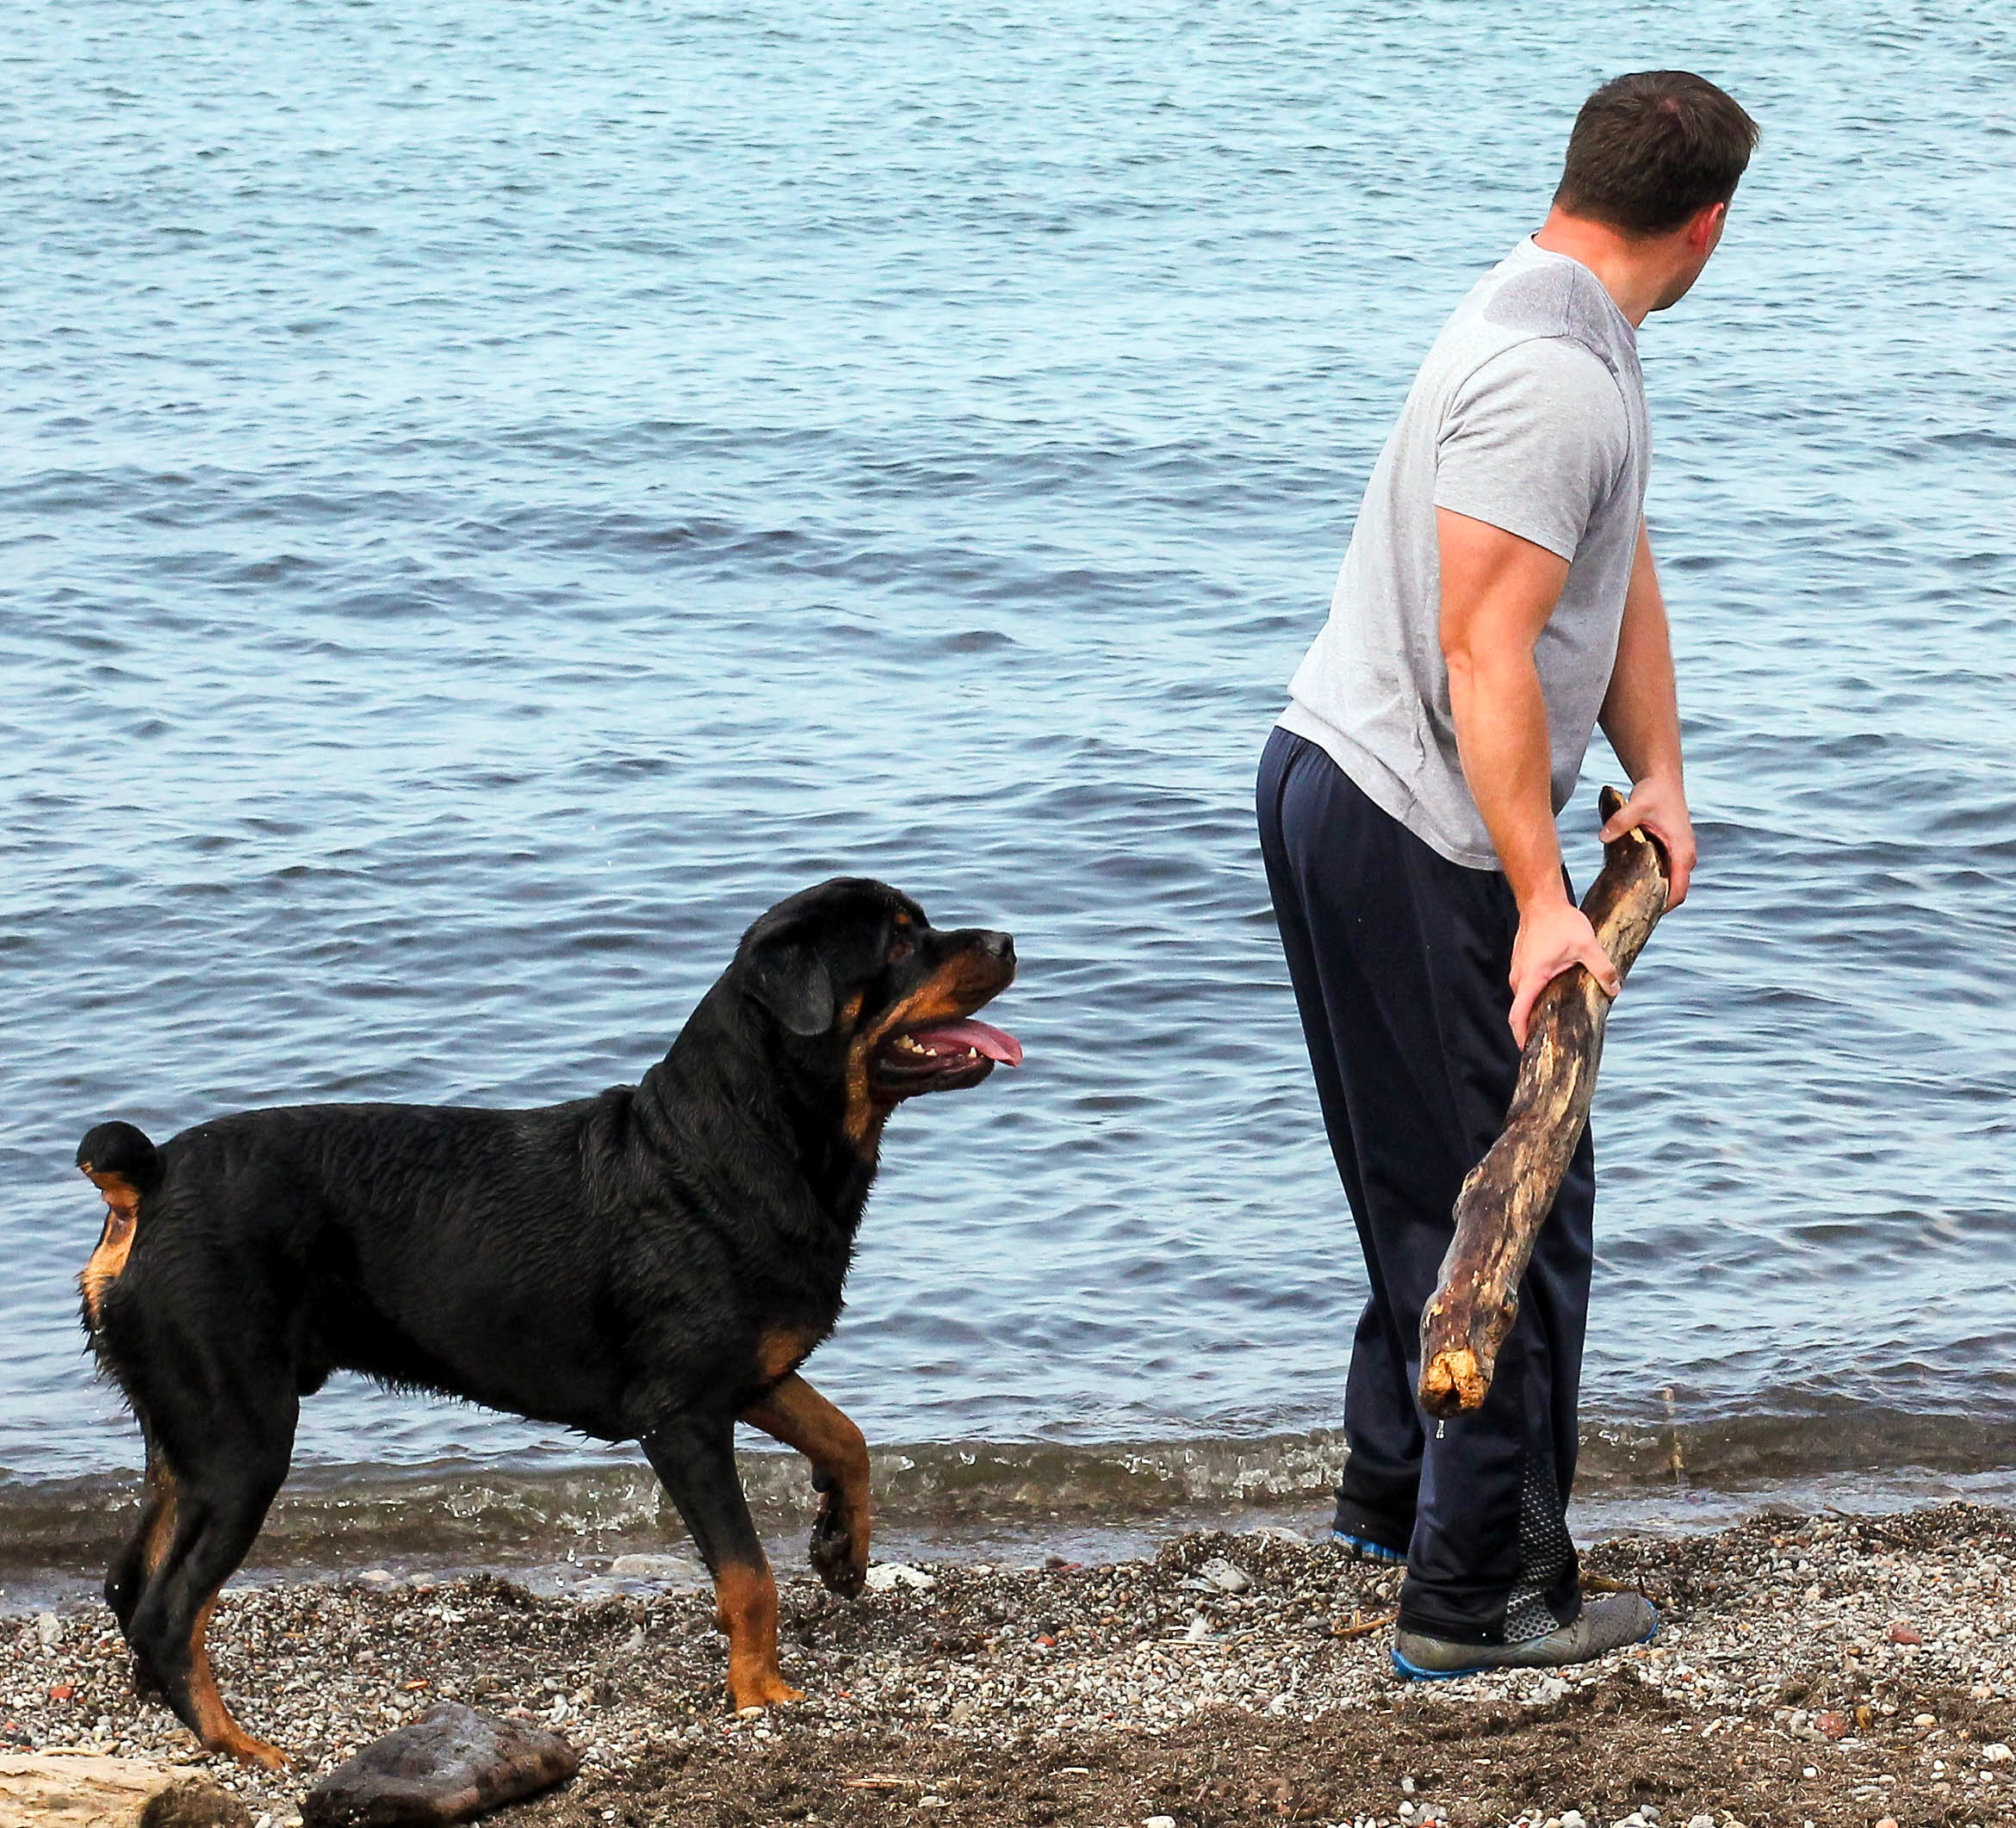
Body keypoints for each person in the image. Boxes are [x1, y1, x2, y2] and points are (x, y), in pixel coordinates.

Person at [1256, 71, 1757, 1678]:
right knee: (1512, 1197)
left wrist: (1657, 771)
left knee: (1425, 1173)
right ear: (1707, 223)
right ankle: (1477, 1594)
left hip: (1349, 783)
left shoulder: (1553, 312)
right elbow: (1484, 649)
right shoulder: (1555, 378)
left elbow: (1609, 562)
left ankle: (1393, 1494)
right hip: (1406, 819)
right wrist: (1544, 904)